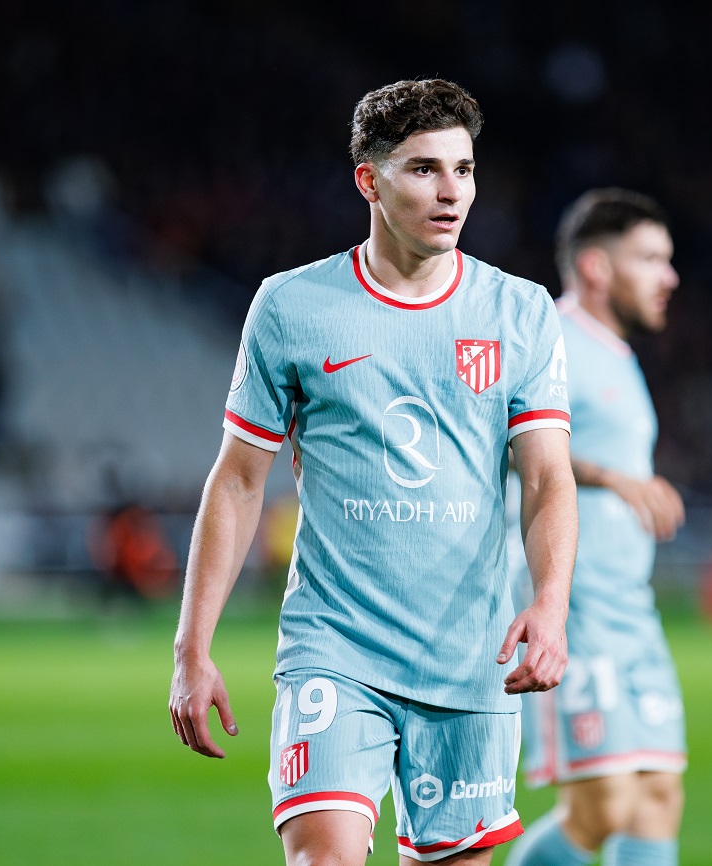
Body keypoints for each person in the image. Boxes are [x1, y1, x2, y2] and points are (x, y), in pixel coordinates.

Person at [169, 79, 579, 865]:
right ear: (370, 180)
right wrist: (193, 648)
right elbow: (239, 480)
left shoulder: (520, 311)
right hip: (336, 647)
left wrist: (550, 603)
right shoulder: (292, 306)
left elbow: (546, 480)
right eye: (424, 169)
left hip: (470, 660)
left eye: (464, 169)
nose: (451, 191)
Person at [505, 190, 686, 866]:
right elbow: (507, 442)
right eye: (650, 258)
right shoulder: (549, 339)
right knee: (602, 803)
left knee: (658, 794)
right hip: (572, 609)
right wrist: (614, 478)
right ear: (596, 267)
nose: (669, 276)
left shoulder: (617, 354)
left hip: (629, 609)